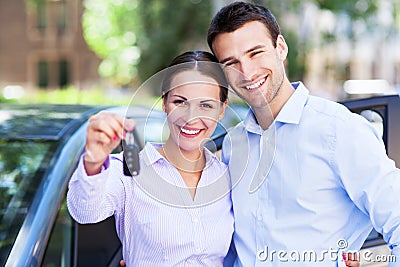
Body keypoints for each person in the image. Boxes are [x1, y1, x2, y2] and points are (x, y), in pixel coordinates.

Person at [207, 1, 400, 266]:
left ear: (281, 48)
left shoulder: (340, 130)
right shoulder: (233, 144)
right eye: (231, 62)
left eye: (256, 53)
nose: (247, 72)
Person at [66, 50, 234, 266]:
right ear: (164, 103)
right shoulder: (129, 170)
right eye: (180, 102)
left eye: (206, 105)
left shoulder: (226, 177)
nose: (191, 117)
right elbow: (85, 212)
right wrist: (93, 161)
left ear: (222, 110)